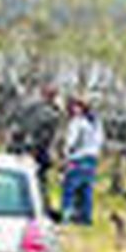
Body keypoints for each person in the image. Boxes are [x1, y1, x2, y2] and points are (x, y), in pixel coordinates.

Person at [10, 83, 62, 216]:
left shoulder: (31, 107)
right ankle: (39, 207)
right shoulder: (47, 112)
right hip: (32, 151)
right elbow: (43, 135)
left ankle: (40, 207)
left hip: (28, 150)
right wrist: (32, 148)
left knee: (33, 180)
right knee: (35, 181)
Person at [61, 96, 103, 227]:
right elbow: (100, 140)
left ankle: (66, 217)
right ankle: (86, 218)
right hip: (92, 158)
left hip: (77, 158)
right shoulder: (96, 122)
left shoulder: (77, 122)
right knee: (86, 189)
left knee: (69, 189)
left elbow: (71, 142)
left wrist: (66, 155)